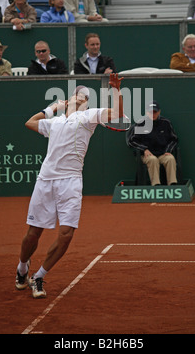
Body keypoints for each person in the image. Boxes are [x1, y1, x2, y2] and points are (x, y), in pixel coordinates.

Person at [15, 72, 125, 298]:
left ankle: (38, 277)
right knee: (33, 234)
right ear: (71, 98)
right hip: (45, 181)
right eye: (80, 95)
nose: (83, 98)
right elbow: (29, 122)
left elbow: (118, 113)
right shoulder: (54, 122)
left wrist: (116, 89)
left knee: (66, 234)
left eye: (86, 97)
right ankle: (22, 268)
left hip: (71, 182)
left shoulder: (88, 117)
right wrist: (53, 107)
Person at [127, 100, 178, 186]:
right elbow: (132, 141)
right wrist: (144, 149)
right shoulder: (140, 123)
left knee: (170, 159)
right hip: (147, 155)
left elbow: (174, 139)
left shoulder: (166, 123)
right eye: (151, 112)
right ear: (147, 112)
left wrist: (168, 150)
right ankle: (156, 185)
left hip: (163, 154)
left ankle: (172, 186)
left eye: (155, 112)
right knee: (153, 160)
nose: (153, 114)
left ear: (159, 112)